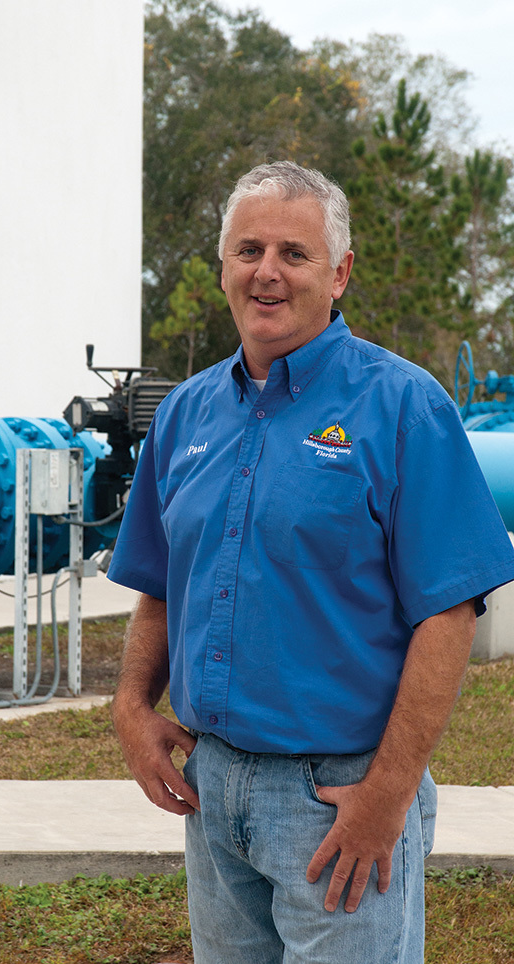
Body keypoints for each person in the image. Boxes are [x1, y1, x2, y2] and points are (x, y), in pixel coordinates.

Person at [107, 161, 514, 963]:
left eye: (294, 253)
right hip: (213, 787)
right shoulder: (184, 415)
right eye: (248, 249)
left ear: (339, 273)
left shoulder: (404, 408)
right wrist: (130, 704)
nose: (267, 271)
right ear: (224, 265)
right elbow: (161, 583)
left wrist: (387, 794)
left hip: (339, 796)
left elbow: (449, 616)